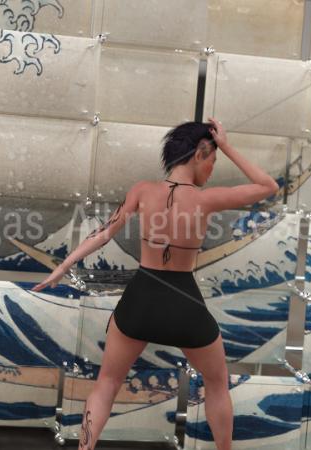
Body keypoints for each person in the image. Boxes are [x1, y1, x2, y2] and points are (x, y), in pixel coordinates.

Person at [31, 117, 279, 450]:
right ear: (200, 153)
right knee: (217, 384)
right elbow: (268, 187)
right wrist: (228, 145)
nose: (212, 170)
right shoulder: (206, 199)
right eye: (213, 160)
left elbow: (103, 234)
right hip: (184, 302)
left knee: (106, 383)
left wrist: (62, 266)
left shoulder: (143, 190)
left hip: (141, 298)